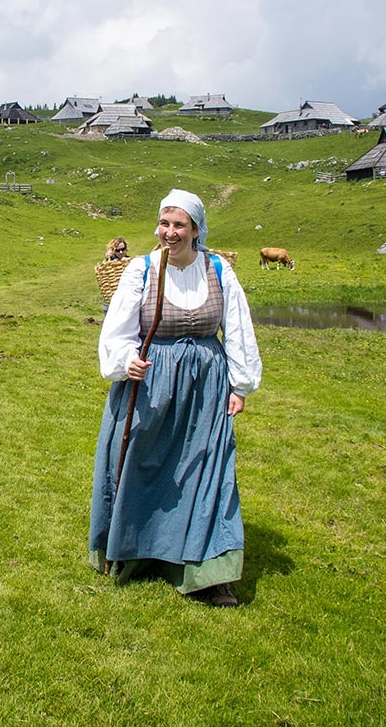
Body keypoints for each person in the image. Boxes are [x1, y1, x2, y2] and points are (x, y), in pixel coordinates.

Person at [89, 189, 262, 607]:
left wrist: (240, 385)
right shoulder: (141, 270)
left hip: (206, 386)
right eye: (165, 224)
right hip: (151, 385)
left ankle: (208, 572)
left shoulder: (218, 270)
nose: (170, 232)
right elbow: (117, 330)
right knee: (142, 466)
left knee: (207, 470)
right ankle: (136, 551)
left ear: (196, 230)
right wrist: (125, 361)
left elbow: (238, 328)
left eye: (179, 225)